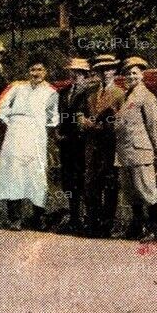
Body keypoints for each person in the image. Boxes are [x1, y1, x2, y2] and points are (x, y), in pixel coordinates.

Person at [0, 62, 61, 230]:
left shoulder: (51, 92)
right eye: (32, 69)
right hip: (15, 135)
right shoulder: (17, 87)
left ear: (46, 71)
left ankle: (38, 218)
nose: (36, 73)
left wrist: (41, 124)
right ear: (28, 71)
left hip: (36, 136)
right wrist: (13, 122)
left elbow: (54, 115)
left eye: (40, 70)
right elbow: (1, 108)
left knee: (36, 174)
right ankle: (15, 218)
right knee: (14, 172)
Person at [113, 56, 157, 241]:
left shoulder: (146, 96)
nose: (131, 76)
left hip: (141, 150)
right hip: (125, 152)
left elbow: (153, 124)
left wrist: (155, 149)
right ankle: (136, 227)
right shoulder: (127, 96)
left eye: (135, 73)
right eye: (128, 73)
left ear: (142, 75)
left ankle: (154, 229)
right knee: (130, 191)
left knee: (147, 190)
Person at [81, 54, 124, 236]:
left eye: (109, 69)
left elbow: (122, 121)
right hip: (92, 144)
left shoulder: (120, 94)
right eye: (102, 70)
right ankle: (93, 222)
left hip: (110, 145)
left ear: (114, 71)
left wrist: (105, 126)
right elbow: (80, 114)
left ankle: (107, 223)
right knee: (92, 183)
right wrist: (83, 121)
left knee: (110, 183)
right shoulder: (91, 94)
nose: (106, 72)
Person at [56, 57, 96, 233]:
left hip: (82, 142)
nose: (75, 76)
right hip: (66, 142)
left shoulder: (90, 93)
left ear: (85, 75)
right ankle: (73, 217)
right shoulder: (64, 93)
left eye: (79, 73)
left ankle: (86, 218)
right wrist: (57, 132)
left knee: (83, 180)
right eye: (73, 72)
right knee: (69, 180)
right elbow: (59, 115)